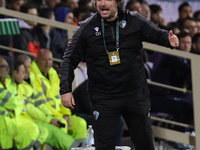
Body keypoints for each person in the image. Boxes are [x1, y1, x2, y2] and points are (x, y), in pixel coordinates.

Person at [59, 0, 179, 149]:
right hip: (104, 98)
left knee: (145, 144)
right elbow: (68, 60)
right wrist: (65, 90)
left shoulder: (134, 20)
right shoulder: (86, 27)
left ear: (118, 2)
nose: (102, 3)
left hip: (134, 95)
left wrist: (168, 39)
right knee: (104, 146)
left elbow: (157, 34)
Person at [30, 49, 87, 144]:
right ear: (37, 60)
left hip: (60, 114)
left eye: (50, 60)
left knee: (80, 123)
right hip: (48, 116)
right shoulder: (32, 76)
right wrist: (56, 117)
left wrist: (66, 115)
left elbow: (62, 97)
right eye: (44, 60)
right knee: (62, 124)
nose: (48, 63)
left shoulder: (53, 73)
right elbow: (40, 104)